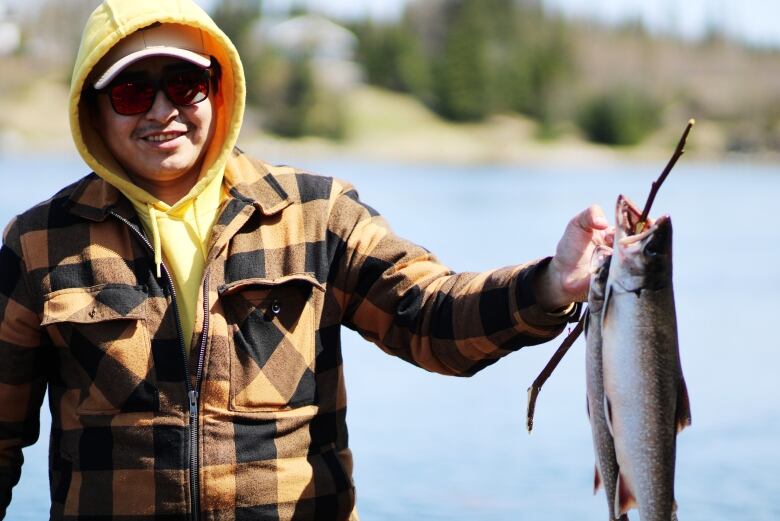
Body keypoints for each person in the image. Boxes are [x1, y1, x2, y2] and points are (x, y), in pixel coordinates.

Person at [0, 0, 612, 519]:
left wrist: (552, 284)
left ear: (217, 90)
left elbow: (430, 317)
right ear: (94, 108)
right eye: (134, 91)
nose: (163, 111)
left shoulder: (316, 214)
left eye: (185, 85)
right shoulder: (38, 242)